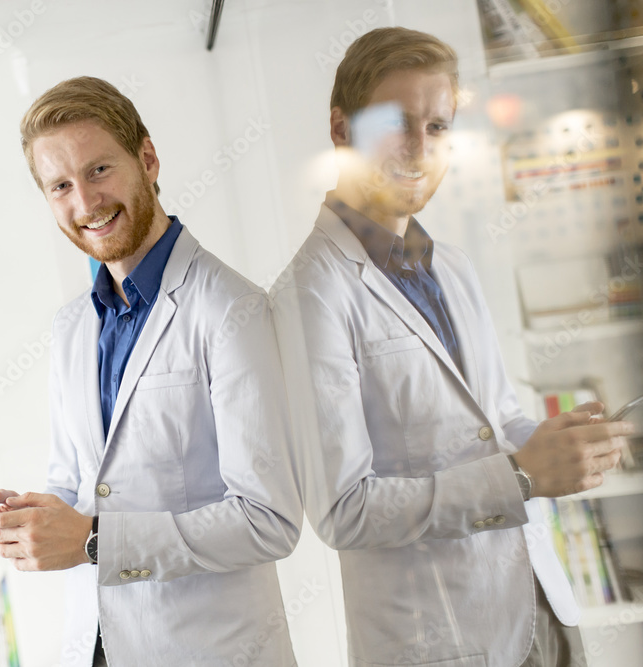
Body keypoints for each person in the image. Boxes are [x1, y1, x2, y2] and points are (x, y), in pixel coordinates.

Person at [270, 27, 634, 667]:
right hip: (439, 641)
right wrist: (522, 476)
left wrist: (563, 442)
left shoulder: (454, 267)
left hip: (541, 605)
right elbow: (343, 510)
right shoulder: (309, 294)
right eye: (396, 124)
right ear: (341, 128)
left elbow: (495, 421)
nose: (418, 148)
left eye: (437, 127)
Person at [0, 76, 303, 667]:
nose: (86, 203)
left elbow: (267, 520)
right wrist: (35, 517)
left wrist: (96, 539)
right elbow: (78, 483)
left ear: (147, 159)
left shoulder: (231, 310)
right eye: (61, 186)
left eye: (99, 170)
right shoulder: (74, 325)